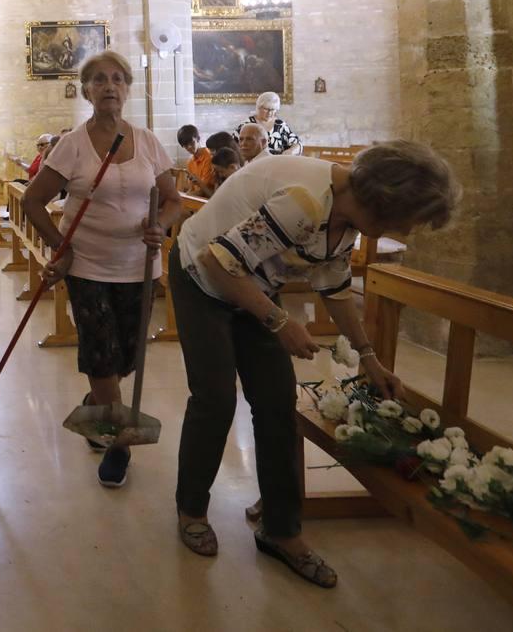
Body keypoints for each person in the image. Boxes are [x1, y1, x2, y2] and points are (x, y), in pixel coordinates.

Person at [168, 141, 459, 587]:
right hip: (202, 278)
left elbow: (334, 286)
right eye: (410, 219)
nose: (411, 231)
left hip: (252, 284)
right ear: (384, 203)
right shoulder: (305, 201)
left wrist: (368, 357)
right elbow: (218, 262)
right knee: (215, 398)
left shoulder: (348, 215)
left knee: (276, 405)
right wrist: (279, 320)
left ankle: (282, 531)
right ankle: (191, 509)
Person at [24, 50, 184, 487]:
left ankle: (99, 399)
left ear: (128, 88)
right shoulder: (72, 144)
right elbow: (32, 201)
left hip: (139, 266)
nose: (109, 86)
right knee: (100, 350)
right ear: (87, 90)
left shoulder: (148, 141)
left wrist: (160, 226)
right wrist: (62, 247)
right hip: (89, 265)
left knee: (126, 356)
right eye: (99, 79)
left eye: (117, 79)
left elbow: (173, 200)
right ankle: (118, 445)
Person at [236, 91, 301, 155]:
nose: (269, 113)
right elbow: (234, 146)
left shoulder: (280, 125)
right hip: (253, 163)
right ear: (258, 107)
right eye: (266, 109)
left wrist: (291, 151)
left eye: (272, 109)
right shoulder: (247, 125)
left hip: (276, 163)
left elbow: (297, 143)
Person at [178, 125, 214, 193]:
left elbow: (203, 189)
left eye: (192, 142)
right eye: (185, 145)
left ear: (198, 138)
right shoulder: (190, 162)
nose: (189, 147)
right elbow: (191, 188)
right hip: (196, 196)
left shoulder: (208, 157)